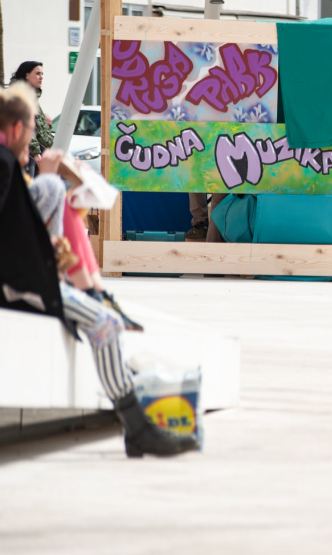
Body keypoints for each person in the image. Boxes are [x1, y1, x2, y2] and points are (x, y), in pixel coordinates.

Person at [0, 82, 197, 457]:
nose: (31, 145)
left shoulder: (7, 161)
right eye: (28, 134)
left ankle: (137, 427)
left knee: (54, 192)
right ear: (14, 130)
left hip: (23, 272)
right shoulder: (4, 164)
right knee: (104, 324)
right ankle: (137, 428)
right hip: (16, 281)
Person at [8, 61, 54, 176]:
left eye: (42, 74)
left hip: (35, 152)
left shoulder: (31, 95)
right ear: (26, 75)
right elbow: (23, 125)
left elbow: (36, 123)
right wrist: (35, 152)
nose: (41, 77)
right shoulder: (19, 95)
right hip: (27, 153)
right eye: (37, 73)